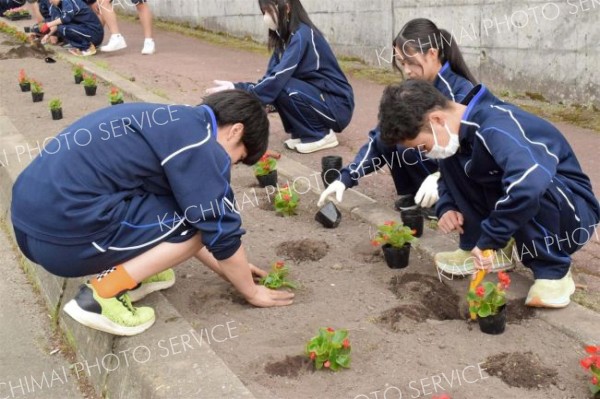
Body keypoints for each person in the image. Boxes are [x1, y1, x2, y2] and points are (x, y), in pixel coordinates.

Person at [11, 90, 295, 336]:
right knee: (197, 219)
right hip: (63, 240)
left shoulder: (171, 121)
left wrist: (230, 269)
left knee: (181, 210)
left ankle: (138, 273)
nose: (230, 165)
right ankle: (101, 296)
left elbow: (187, 213)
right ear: (236, 131)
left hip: (31, 226)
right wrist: (251, 291)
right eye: (239, 157)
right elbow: (216, 228)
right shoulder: (201, 144)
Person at [378, 79, 600, 308]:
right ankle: (484, 251)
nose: (426, 154)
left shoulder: (496, 126)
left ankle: (553, 270)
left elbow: (528, 185)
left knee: (525, 182)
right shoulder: (458, 130)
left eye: (422, 147)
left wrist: (490, 240)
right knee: (456, 159)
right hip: (542, 197)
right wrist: (448, 206)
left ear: (436, 119)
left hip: (571, 211)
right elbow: (447, 173)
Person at [318, 19, 472, 215]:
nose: (407, 70)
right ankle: (417, 191)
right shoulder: (414, 88)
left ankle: (445, 198)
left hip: (461, 174)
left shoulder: (459, 92)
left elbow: (471, 151)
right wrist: (345, 177)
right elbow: (380, 135)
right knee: (394, 134)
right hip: (433, 163)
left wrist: (440, 177)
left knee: (411, 143)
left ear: (432, 54)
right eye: (402, 63)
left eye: (412, 62)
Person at [207, 0, 354, 154]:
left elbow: (278, 78)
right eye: (263, 12)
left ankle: (320, 134)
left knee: (283, 86)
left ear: (287, 7)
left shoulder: (303, 35)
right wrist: (238, 90)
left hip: (336, 104)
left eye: (268, 11)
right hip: (316, 97)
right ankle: (304, 132)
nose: (266, 17)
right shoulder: (283, 40)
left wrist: (245, 90)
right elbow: (269, 78)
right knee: (276, 88)